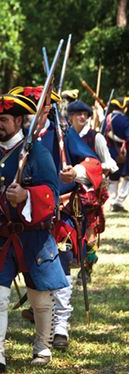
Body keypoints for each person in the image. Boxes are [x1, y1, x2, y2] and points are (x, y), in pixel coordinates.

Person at [0, 94, 68, 373]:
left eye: (3, 119)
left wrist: (27, 196)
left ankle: (42, 345)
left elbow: (53, 194)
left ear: (18, 121)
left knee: (39, 298)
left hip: (33, 237)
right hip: (0, 238)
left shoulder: (38, 153)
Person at [9, 87, 102, 351]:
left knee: (60, 270)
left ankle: (60, 326)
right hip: (23, 218)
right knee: (32, 271)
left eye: (36, 107)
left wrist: (77, 172)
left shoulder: (62, 134)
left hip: (59, 217)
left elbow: (92, 163)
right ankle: (42, 325)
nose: (31, 113)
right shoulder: (17, 139)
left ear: (47, 110)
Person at [68, 100, 117, 280]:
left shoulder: (96, 137)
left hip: (88, 189)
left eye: (85, 114)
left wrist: (95, 170)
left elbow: (108, 163)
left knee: (89, 229)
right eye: (78, 114)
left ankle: (87, 267)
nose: (82, 117)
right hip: (67, 189)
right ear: (70, 117)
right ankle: (71, 259)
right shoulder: (63, 136)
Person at [103, 97, 129, 212]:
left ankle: (113, 201)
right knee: (127, 178)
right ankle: (118, 201)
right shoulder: (125, 120)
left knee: (113, 178)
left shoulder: (106, 118)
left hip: (109, 152)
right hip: (123, 153)